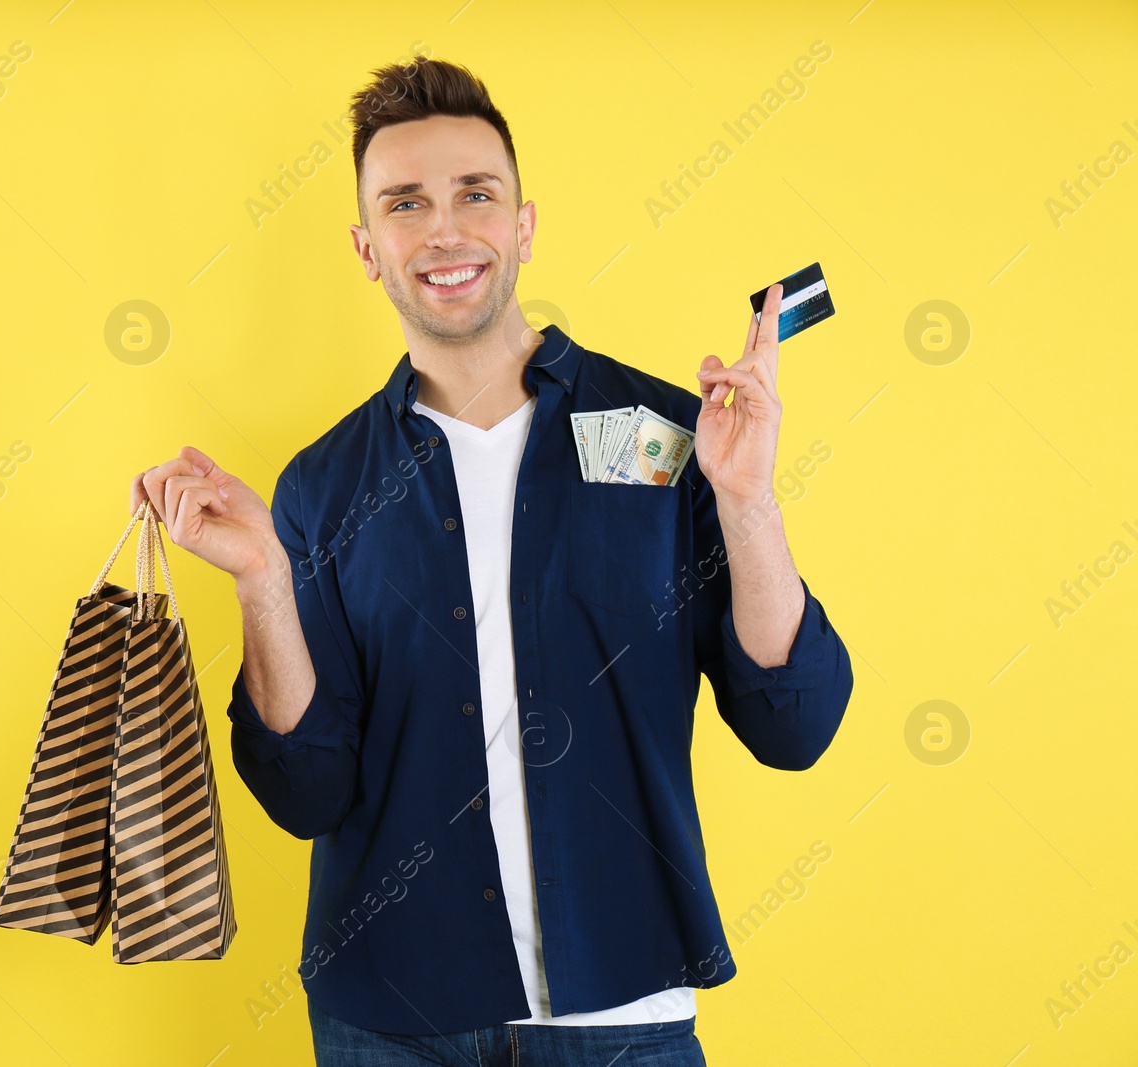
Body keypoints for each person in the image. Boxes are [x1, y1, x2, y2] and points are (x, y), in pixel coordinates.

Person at [130, 56, 853, 1067]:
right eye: (405, 204)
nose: (444, 229)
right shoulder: (322, 487)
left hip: (620, 1023)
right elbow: (306, 794)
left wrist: (746, 500)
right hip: (387, 1024)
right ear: (367, 248)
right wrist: (263, 580)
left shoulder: (658, 436)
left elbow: (793, 723)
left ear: (521, 224)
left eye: (476, 194)